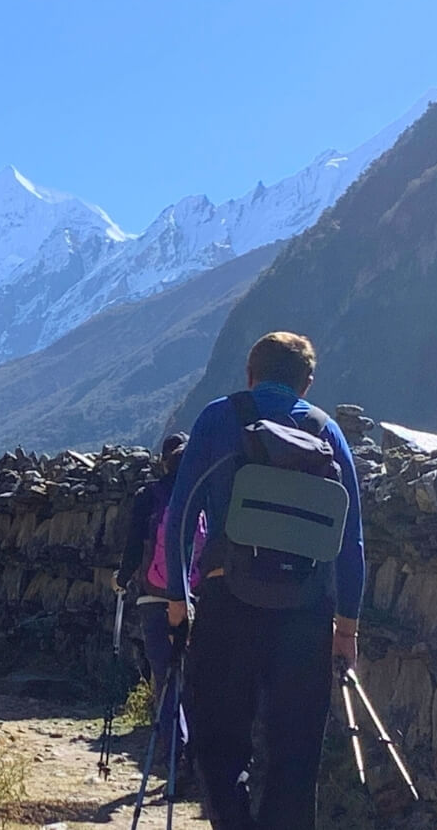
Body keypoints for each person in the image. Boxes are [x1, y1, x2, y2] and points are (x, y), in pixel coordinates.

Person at [164, 332, 364, 829]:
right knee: (295, 756)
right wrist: (346, 628)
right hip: (305, 612)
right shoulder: (328, 432)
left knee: (215, 742)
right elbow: (352, 540)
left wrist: (177, 601)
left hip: (226, 600)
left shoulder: (217, 418)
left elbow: (180, 514)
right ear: (307, 382)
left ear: (250, 375)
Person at [113, 433, 199, 770]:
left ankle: (172, 748)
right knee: (192, 674)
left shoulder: (148, 495)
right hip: (193, 599)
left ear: (162, 460)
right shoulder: (200, 493)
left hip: (153, 596)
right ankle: (195, 754)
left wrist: (121, 580)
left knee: (164, 675)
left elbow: (134, 546)